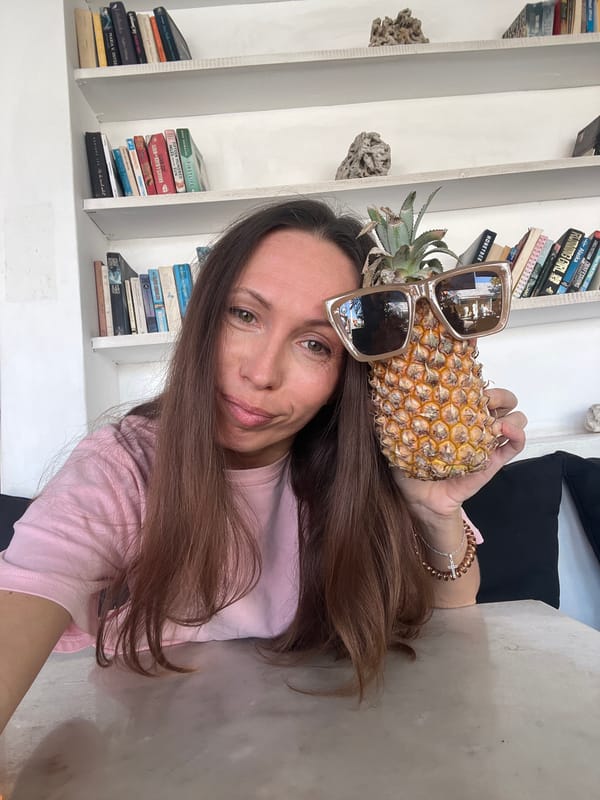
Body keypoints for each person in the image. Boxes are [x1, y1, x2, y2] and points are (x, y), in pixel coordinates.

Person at [0, 199, 526, 733]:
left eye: (315, 344)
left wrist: (432, 508)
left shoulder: (356, 464)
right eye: (245, 315)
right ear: (205, 317)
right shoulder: (125, 466)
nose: (261, 372)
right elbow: (33, 581)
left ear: (348, 372)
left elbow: (455, 624)